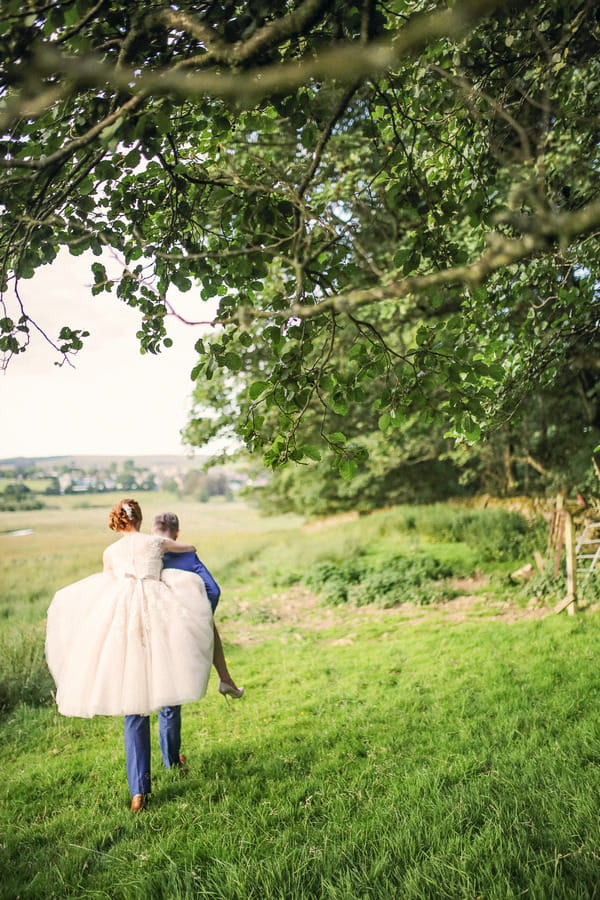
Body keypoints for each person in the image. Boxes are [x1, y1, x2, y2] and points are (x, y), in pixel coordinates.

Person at [45, 498, 214, 811]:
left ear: (118, 522)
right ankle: (171, 760)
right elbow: (188, 547)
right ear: (139, 518)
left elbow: (109, 582)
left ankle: (140, 791)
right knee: (169, 684)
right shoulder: (156, 541)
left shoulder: (111, 552)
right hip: (159, 618)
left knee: (134, 705)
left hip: (124, 625)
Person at [151, 511, 244, 700]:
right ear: (177, 533)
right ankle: (225, 678)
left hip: (152, 618)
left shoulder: (147, 554)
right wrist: (199, 615)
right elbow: (214, 590)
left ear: (152, 531)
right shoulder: (187, 555)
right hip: (181, 621)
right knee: (209, 623)